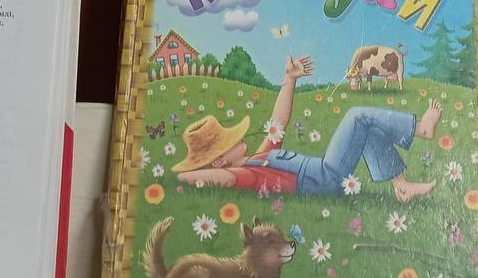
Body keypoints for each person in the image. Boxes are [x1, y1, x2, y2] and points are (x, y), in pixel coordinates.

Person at [174, 55, 439, 202]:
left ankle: (401, 186)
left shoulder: (258, 157)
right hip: (323, 179)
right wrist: (193, 172)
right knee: (357, 116)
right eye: (227, 143)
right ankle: (421, 129)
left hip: (324, 175)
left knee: (368, 129)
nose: (236, 138)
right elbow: (201, 178)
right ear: (220, 161)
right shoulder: (244, 175)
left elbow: (278, 124)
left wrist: (289, 79)